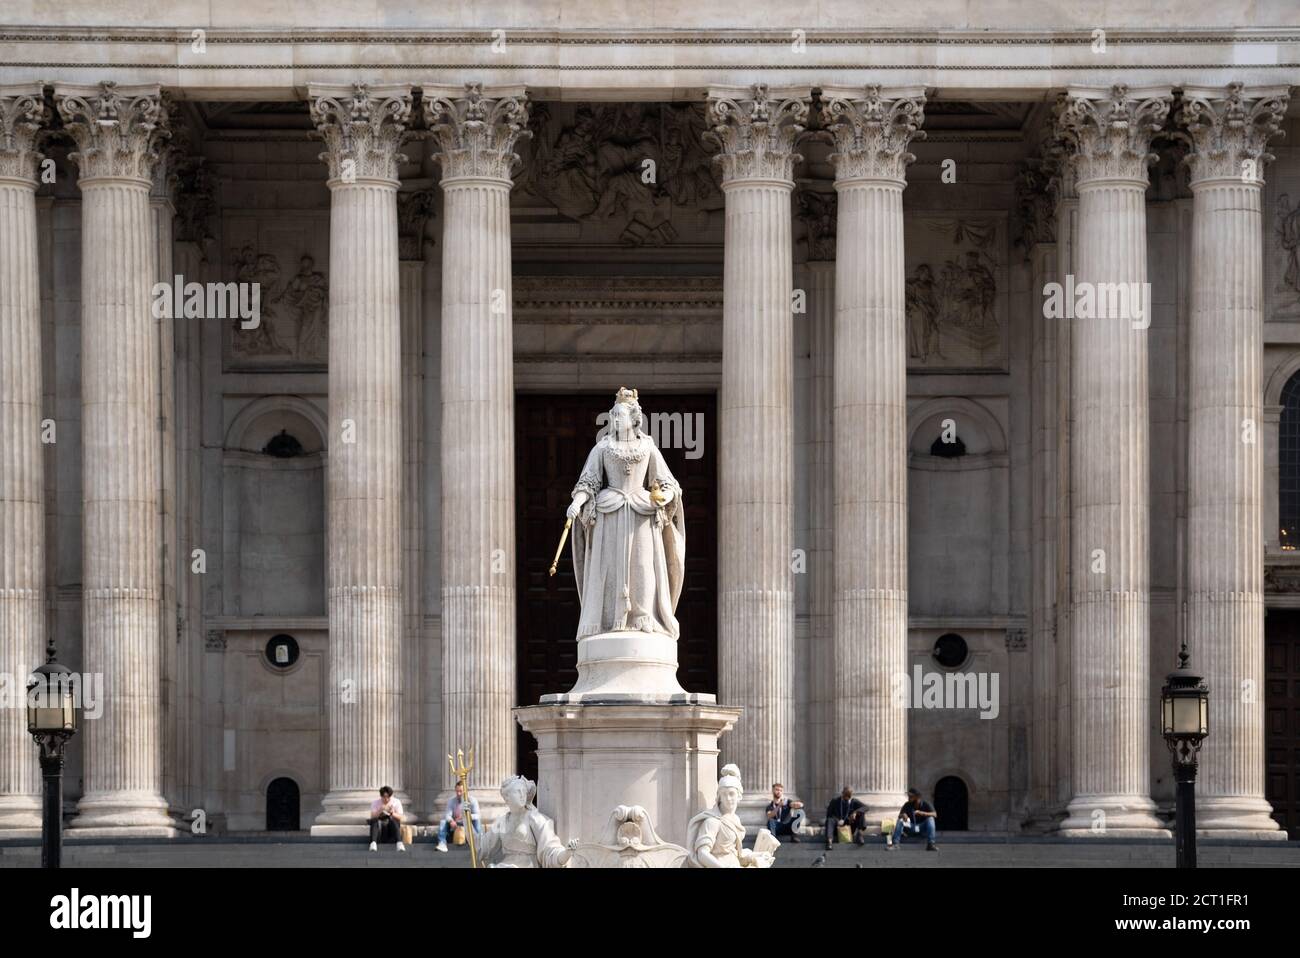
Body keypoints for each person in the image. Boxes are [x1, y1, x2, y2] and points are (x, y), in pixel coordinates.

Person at [478, 775, 574, 868]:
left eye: (523, 791)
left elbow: (549, 848)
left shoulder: (535, 818)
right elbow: (483, 848)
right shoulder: (502, 821)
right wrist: (467, 819)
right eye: (517, 791)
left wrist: (565, 854)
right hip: (505, 864)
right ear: (506, 797)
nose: (522, 795)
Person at [435, 781, 482, 852]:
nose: (458, 793)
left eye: (460, 791)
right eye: (457, 791)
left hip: (469, 824)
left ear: (465, 791)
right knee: (443, 822)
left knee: (477, 821)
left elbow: (477, 815)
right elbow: (447, 815)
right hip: (455, 824)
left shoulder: (472, 800)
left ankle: (479, 843)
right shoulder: (451, 801)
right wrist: (451, 821)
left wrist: (467, 816)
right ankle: (442, 843)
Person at [824, 786, 869, 850]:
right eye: (845, 796)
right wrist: (837, 821)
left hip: (849, 825)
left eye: (848, 797)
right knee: (830, 820)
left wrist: (855, 812)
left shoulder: (854, 802)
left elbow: (866, 807)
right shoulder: (835, 801)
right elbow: (829, 814)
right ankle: (829, 841)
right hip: (837, 826)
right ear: (842, 794)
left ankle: (860, 835)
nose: (847, 798)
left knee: (861, 813)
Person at [368, 786, 405, 852]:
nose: (386, 799)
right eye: (384, 797)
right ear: (381, 796)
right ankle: (373, 843)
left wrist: (392, 813)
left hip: (391, 830)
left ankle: (399, 842)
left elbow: (401, 817)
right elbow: (372, 816)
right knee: (374, 820)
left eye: (388, 797)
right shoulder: (375, 803)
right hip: (379, 830)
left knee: (394, 820)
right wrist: (380, 811)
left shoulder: (396, 802)